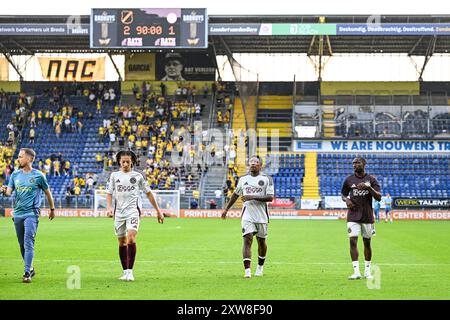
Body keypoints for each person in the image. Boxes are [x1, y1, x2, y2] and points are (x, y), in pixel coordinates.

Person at [106, 150, 164, 282]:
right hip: (119, 213)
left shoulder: (138, 176)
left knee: (131, 238)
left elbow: (149, 193)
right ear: (119, 162)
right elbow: (109, 193)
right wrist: (109, 208)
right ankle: (125, 271)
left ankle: (130, 272)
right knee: (121, 242)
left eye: (128, 161)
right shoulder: (114, 176)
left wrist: (158, 211)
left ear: (132, 161)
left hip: (133, 211)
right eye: (123, 161)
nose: (125, 164)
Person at [0, 148, 55, 283]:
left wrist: (52, 208)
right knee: (22, 245)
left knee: (28, 242)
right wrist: (4, 190)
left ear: (30, 159)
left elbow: (48, 192)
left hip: (32, 213)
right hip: (18, 213)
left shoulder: (39, 176)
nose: (18, 159)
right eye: (18, 156)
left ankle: (26, 273)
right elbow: (9, 193)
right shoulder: (15, 175)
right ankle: (30, 268)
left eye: (21, 156)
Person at [221, 155, 274, 278]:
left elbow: (270, 197)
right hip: (247, 214)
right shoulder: (243, 179)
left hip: (261, 216)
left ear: (260, 165)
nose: (253, 164)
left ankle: (260, 267)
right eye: (251, 162)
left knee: (261, 241)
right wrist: (226, 209)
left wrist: (252, 196)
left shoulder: (267, 179)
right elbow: (235, 194)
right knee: (247, 239)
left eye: (256, 162)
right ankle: (247, 271)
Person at [341, 157, 381, 281]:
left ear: (364, 164)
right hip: (353, 215)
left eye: (357, 163)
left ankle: (367, 271)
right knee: (352, 241)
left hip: (367, 216)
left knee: (367, 243)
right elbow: (343, 194)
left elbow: (379, 197)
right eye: (353, 163)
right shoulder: (349, 180)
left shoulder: (371, 179)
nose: (354, 165)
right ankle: (356, 272)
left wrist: (368, 188)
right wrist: (346, 200)